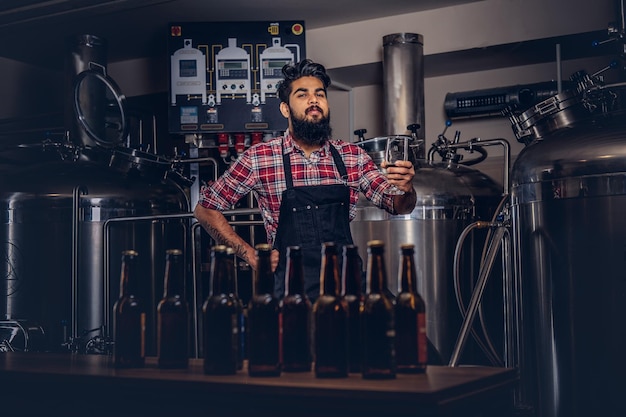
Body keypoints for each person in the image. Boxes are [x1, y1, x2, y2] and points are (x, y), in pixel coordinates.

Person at [194, 59, 416, 302]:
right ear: (285, 109)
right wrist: (250, 255)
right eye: (302, 95)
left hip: (347, 286)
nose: (314, 100)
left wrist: (406, 190)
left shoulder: (351, 156)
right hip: (292, 291)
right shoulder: (259, 158)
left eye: (320, 94)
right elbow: (205, 209)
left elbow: (397, 205)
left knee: (405, 329)